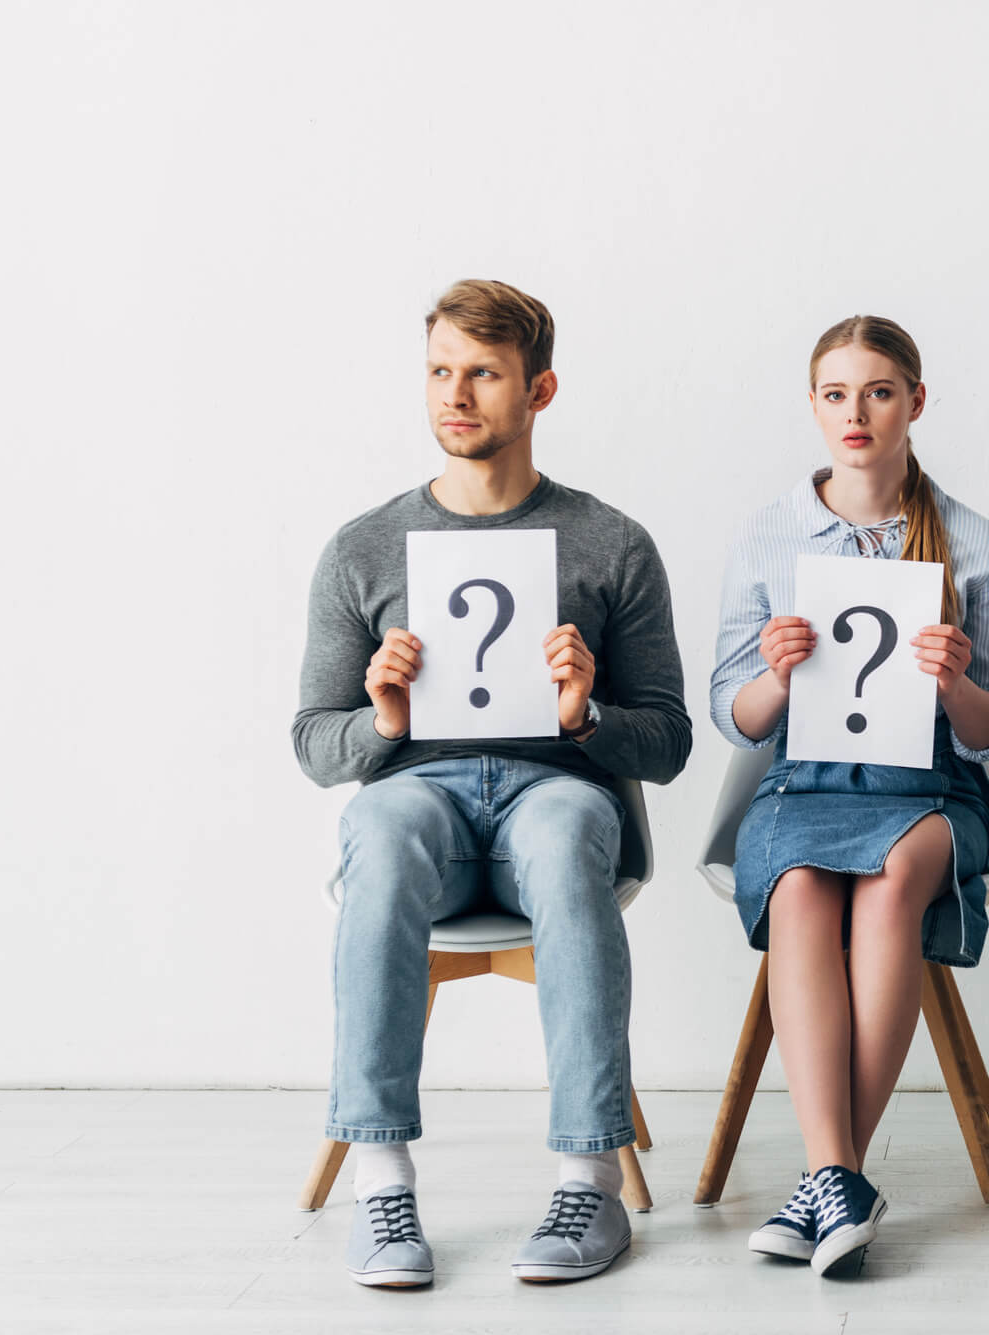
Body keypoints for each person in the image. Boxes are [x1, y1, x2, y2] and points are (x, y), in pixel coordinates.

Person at [292, 279, 691, 1287]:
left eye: (481, 373)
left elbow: (670, 741)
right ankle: (380, 1188)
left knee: (562, 837)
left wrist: (585, 715)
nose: (454, 395)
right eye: (438, 371)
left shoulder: (610, 544)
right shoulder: (363, 548)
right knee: (380, 835)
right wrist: (379, 722)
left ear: (538, 389)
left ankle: (589, 1184)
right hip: (416, 796)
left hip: (552, 793)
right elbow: (311, 743)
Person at [709, 316, 989, 1277]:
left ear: (914, 403)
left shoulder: (972, 540)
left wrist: (954, 683)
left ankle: (826, 1181)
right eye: (837, 394)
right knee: (802, 884)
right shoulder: (769, 532)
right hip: (802, 785)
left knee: (890, 882)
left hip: (929, 788)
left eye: (879, 392)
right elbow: (734, 716)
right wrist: (773, 671)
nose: (857, 412)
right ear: (813, 406)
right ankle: (837, 1175)